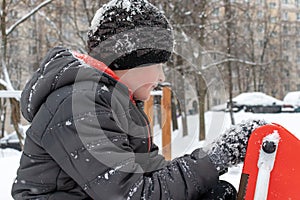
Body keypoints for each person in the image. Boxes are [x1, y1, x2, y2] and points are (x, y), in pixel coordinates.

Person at [11, 0, 267, 199]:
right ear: (131, 59)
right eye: (158, 64)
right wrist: (216, 158)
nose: (162, 75)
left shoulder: (112, 103)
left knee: (215, 193)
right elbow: (134, 194)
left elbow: (155, 175)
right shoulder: (78, 106)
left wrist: (217, 155)